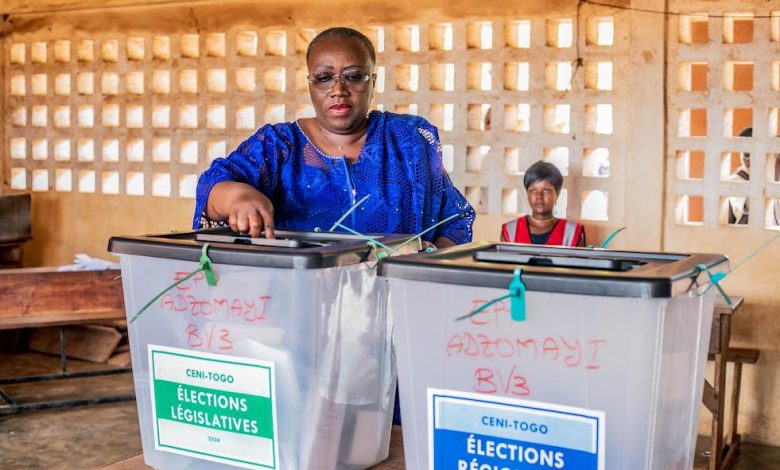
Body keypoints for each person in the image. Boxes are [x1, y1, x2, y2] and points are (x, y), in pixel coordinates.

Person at [194, 27, 474, 247]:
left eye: (354, 76)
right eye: (324, 77)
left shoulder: (408, 141)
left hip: (393, 302)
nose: (338, 88)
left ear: (373, 83)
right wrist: (239, 197)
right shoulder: (278, 146)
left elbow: (454, 220)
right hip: (299, 300)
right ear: (310, 84)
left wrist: (426, 261)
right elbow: (212, 188)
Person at [500, 161, 585, 246]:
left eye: (546, 190)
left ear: (557, 194)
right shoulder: (510, 231)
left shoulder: (573, 232)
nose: (539, 196)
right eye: (533, 191)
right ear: (527, 194)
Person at [726, 127, 751, 225]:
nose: (749, 159)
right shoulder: (735, 180)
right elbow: (751, 205)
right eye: (746, 154)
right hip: (745, 237)